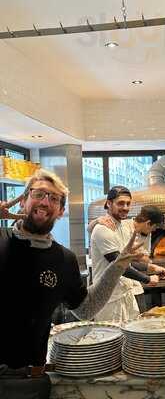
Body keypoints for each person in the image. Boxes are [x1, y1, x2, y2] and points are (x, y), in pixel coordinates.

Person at [0, 170, 143, 399]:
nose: (45, 202)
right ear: (24, 200)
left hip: (30, 382)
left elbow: (85, 308)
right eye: (38, 194)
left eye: (54, 198)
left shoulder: (64, 259)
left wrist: (117, 267)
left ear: (61, 212)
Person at [89, 186, 165, 323]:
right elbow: (118, 265)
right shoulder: (103, 229)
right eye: (120, 203)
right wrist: (148, 279)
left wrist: (152, 268)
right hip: (109, 298)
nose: (125, 207)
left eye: (128, 203)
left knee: (133, 337)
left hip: (125, 294)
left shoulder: (123, 229)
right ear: (109, 203)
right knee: (111, 340)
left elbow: (128, 262)